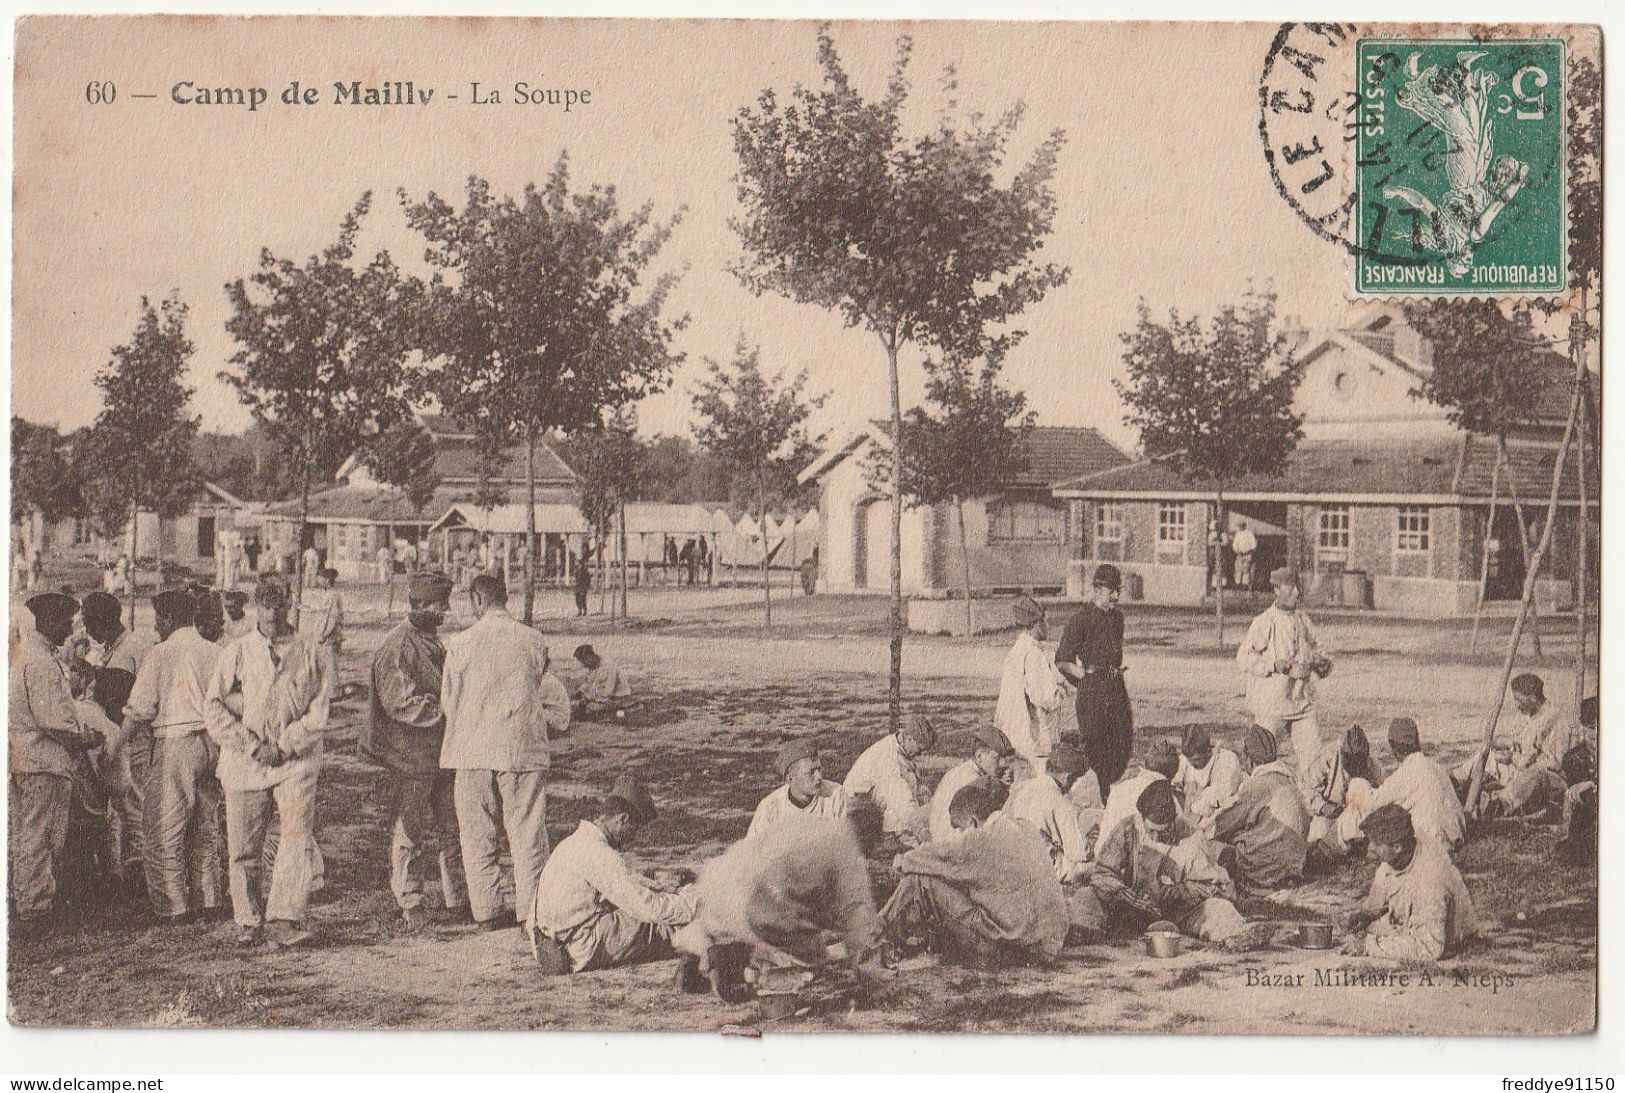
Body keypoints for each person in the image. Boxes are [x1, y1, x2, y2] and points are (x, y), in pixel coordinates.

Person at [204, 574, 331, 948]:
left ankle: (284, 918)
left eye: (279, 603)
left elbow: (319, 711)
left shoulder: (312, 651)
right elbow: (214, 707)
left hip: (296, 761)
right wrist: (251, 744)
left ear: (290, 602)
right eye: (266, 604)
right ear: (256, 606)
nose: (273, 612)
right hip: (247, 760)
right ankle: (248, 919)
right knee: (243, 845)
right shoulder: (238, 651)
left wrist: (286, 744)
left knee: (295, 837)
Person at [440, 574, 569, 933]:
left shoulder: (460, 643)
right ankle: (531, 912)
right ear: (505, 598)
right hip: (520, 747)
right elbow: (544, 688)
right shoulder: (533, 639)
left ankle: (487, 911)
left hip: (471, 750)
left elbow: (448, 702)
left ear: (476, 601)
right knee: (527, 830)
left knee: (477, 832)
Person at [674, 797, 887, 1002]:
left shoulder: (808, 821)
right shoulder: (847, 851)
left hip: (718, 884)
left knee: (762, 918)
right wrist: (874, 980)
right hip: (758, 902)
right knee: (814, 958)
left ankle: (708, 952)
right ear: (871, 835)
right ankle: (753, 972)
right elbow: (859, 920)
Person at [364, 570, 468, 930]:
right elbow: (400, 703)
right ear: (419, 605)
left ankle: (457, 897)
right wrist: (449, 714)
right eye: (439, 605)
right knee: (412, 827)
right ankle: (410, 899)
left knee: (450, 826)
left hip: (440, 750)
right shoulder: (397, 646)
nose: (445, 611)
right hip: (410, 754)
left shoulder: (432, 641)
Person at [882, 785, 1067, 968]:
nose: (959, 835)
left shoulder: (980, 839)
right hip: (1048, 945)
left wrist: (901, 860)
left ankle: (873, 936)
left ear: (972, 822)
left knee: (920, 882)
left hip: (1013, 946)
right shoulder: (1025, 828)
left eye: (959, 829)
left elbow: (931, 857)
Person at [126, 586, 225, 922]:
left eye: (158, 620)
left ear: (168, 618)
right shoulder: (214, 651)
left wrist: (117, 743)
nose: (156, 627)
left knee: (162, 829)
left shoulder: (162, 652)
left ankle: (173, 907)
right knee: (205, 826)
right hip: (212, 743)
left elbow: (140, 708)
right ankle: (208, 899)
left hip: (176, 743)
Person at [530, 776, 698, 974]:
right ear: (623, 819)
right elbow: (645, 906)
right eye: (634, 830)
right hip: (579, 947)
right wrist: (690, 904)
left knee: (644, 909)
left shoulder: (574, 842)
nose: (633, 838)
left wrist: (655, 885)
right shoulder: (599, 853)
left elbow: (616, 883)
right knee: (660, 927)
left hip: (548, 942)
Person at [10, 593, 102, 931]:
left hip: (29, 760)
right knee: (41, 837)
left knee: (29, 835)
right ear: (49, 621)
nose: (68, 628)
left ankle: (31, 903)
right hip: (43, 763)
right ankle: (35, 910)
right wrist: (85, 740)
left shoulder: (30, 656)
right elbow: (53, 721)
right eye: (65, 621)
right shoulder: (41, 662)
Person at [1079, 780, 1255, 948]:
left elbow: (1210, 885)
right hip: (1128, 909)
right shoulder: (1128, 828)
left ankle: (1237, 936)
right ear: (1142, 817)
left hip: (1176, 913)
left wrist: (1174, 893)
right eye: (1151, 831)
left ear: (1173, 823)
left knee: (1218, 908)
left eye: (1162, 832)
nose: (1155, 837)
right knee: (1086, 895)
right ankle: (1084, 934)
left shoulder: (1191, 835)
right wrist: (1124, 893)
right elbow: (1103, 872)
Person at [1341, 804, 1477, 962]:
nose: (1370, 849)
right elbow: (1377, 901)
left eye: (1376, 844)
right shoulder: (1400, 853)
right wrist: (1364, 916)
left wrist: (1368, 946)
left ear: (1397, 847)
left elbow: (1429, 948)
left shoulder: (1430, 878)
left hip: (1443, 940)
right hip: (1409, 925)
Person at [1236, 567, 1331, 792]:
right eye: (1291, 587)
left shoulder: (1302, 620)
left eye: (1298, 587)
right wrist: (1272, 665)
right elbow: (1244, 658)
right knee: (1258, 757)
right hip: (1272, 704)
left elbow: (1319, 648)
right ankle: (1248, 801)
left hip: (1301, 703)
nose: (1297, 593)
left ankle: (1313, 805)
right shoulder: (1265, 622)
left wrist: (1321, 662)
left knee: (1313, 761)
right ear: (1277, 589)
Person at [1055, 565, 1133, 802]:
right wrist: (1086, 678)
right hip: (1093, 693)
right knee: (1097, 747)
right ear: (1098, 589)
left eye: (1117, 591)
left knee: (1123, 742)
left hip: (1116, 689)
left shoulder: (1117, 618)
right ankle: (1098, 798)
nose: (1116, 597)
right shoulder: (1081, 619)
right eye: (1112, 591)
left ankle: (1111, 795)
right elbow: (1062, 660)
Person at [1208, 725, 1310, 896]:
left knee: (1211, 846)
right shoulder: (1288, 780)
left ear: (1250, 759)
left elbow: (1222, 826)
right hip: (1295, 864)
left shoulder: (1256, 785)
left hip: (1266, 871)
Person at [1480, 674, 1583, 817]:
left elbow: (1555, 764)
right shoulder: (1534, 716)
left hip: (1551, 780)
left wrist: (1515, 760)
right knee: (1490, 757)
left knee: (1534, 775)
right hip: (1525, 770)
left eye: (1519, 700)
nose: (1516, 705)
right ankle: (1464, 782)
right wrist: (1508, 744)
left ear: (1533, 699)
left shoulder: (1555, 720)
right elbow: (1525, 745)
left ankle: (1499, 805)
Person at [994, 595, 1069, 779]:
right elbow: (1048, 699)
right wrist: (1061, 685)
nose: (1048, 627)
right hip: (1032, 741)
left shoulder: (1016, 651)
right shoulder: (1034, 654)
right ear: (1037, 623)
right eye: (1046, 622)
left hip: (1012, 736)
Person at [1002, 742, 1100, 884]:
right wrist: (1094, 837)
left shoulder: (1022, 787)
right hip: (1040, 867)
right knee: (1094, 868)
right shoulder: (1060, 804)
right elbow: (1080, 853)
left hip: (1009, 858)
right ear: (1067, 777)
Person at [1366, 718, 1466, 852]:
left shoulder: (1405, 773)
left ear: (1394, 748)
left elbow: (1372, 803)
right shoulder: (1437, 767)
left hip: (1434, 842)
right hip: (1457, 835)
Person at [842, 713, 935, 843]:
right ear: (909, 738)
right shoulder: (888, 757)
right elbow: (902, 801)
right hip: (856, 812)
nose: (921, 754)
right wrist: (925, 833)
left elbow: (916, 787)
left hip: (873, 806)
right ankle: (893, 839)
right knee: (902, 805)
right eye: (919, 750)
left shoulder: (901, 748)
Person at [1305, 725, 1385, 859]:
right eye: (1350, 760)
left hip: (1358, 818)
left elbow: (1384, 797)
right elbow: (1306, 788)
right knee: (1317, 838)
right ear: (1343, 756)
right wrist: (1323, 807)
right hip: (1329, 816)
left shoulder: (1373, 766)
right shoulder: (1328, 756)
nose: (1355, 764)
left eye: (1359, 761)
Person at [1094, 737, 1184, 856]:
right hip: (1136, 866)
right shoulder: (1166, 798)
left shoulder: (1119, 789)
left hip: (1104, 858)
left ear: (1146, 765)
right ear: (1174, 772)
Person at [927, 722, 1014, 843]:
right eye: (997, 758)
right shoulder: (969, 778)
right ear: (979, 756)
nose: (1003, 764)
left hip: (949, 837)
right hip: (953, 841)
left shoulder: (968, 771)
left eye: (1005, 758)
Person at [747, 739, 850, 838]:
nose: (819, 777)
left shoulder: (835, 795)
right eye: (811, 772)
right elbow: (753, 848)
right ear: (790, 778)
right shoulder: (770, 807)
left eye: (819, 769)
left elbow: (845, 842)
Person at [1173, 725, 1245, 821]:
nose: (1193, 764)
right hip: (1192, 816)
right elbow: (1175, 788)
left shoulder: (1227, 760)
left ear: (1208, 752)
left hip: (1219, 816)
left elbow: (1223, 801)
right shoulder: (1184, 761)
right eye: (1190, 760)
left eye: (1197, 760)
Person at [80, 590, 156, 677]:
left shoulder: (131, 648)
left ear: (101, 623)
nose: (87, 631)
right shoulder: (116, 645)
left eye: (87, 625)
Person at [299, 568, 344, 681]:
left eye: (321, 578)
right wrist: (302, 607)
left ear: (327, 580)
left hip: (330, 636)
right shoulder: (327, 594)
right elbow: (320, 611)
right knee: (325, 664)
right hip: (326, 635)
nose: (318, 580)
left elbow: (332, 618)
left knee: (331, 665)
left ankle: (334, 692)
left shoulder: (332, 595)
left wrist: (324, 634)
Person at [570, 644, 634, 722]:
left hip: (617, 698)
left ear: (589, 657)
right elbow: (588, 684)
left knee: (588, 708)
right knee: (577, 705)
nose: (583, 665)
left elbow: (606, 693)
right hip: (603, 698)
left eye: (583, 661)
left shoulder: (608, 667)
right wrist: (578, 693)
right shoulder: (593, 667)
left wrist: (587, 699)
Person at [1231, 521, 1258, 591]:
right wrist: (1237, 551)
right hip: (1239, 554)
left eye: (1242, 526)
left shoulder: (1249, 534)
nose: (1241, 527)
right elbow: (1235, 545)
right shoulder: (1238, 534)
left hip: (1248, 554)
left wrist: (1249, 551)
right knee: (1238, 569)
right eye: (1240, 526)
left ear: (1245, 526)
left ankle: (1245, 584)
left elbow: (1254, 545)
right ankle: (1238, 584)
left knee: (1246, 569)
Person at [573, 552, 592, 618]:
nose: (579, 565)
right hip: (577, 586)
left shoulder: (586, 571)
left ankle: (584, 611)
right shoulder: (576, 571)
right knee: (577, 599)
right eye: (578, 564)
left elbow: (588, 580)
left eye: (580, 564)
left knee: (582, 599)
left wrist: (587, 586)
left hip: (583, 586)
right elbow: (575, 578)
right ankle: (579, 610)